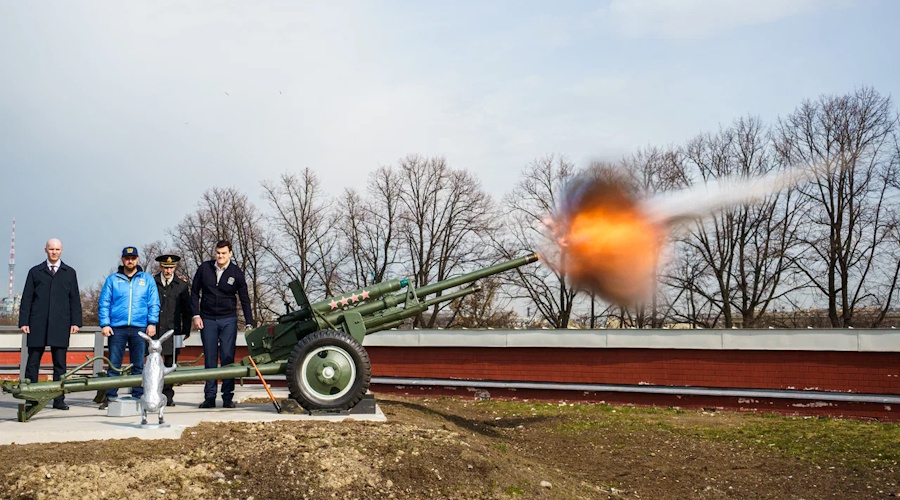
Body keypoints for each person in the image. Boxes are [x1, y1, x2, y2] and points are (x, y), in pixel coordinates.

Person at [18, 238, 82, 410]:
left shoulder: (69, 272)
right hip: (37, 323)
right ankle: (31, 398)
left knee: (60, 364)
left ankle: (58, 399)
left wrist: (76, 322)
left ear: (62, 250)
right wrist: (24, 321)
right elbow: (27, 298)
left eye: (57, 249)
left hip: (61, 323)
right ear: (45, 250)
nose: (54, 252)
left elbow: (74, 299)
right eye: (51, 249)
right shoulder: (35, 272)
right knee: (33, 362)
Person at [191, 240, 253, 408]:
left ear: (230, 254)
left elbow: (245, 299)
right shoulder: (205, 268)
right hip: (208, 319)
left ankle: (227, 397)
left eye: (224, 253)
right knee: (210, 358)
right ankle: (210, 397)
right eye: (218, 253)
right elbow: (195, 292)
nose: (220, 256)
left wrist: (249, 323)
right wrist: (196, 315)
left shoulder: (236, 273)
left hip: (228, 320)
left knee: (227, 358)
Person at [98, 246, 160, 409]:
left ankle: (139, 396)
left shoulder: (147, 279)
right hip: (116, 328)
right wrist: (105, 324)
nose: (130, 261)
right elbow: (104, 302)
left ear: (137, 259)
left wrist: (152, 322)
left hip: (140, 327)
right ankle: (110, 396)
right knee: (114, 364)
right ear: (122, 259)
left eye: (133, 258)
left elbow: (153, 302)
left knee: (138, 364)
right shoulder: (113, 279)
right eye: (127, 258)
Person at [152, 254, 192, 406]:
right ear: (161, 267)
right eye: (165, 267)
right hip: (154, 330)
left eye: (171, 268)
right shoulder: (153, 282)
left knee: (170, 364)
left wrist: (185, 330)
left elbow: (186, 311)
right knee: (153, 363)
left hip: (172, 330)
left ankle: (168, 395)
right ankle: (154, 392)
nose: (168, 270)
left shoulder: (181, 285)